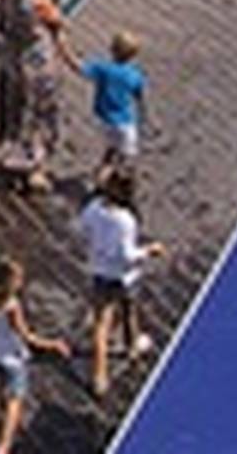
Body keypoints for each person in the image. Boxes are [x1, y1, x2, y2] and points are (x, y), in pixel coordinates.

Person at [0, 0, 75, 186]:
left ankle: (7, 151)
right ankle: (33, 166)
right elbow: (59, 21)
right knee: (38, 114)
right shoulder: (37, 3)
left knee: (13, 110)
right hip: (37, 64)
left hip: (13, 61)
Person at [76, 167, 162, 395]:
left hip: (99, 272)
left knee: (100, 325)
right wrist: (149, 251)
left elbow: (80, 230)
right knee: (129, 310)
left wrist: (96, 246)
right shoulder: (126, 220)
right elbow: (127, 255)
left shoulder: (93, 209)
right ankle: (132, 346)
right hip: (123, 276)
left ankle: (99, 376)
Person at [0, 257, 60, 454]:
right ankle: (4, 444)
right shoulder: (11, 306)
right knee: (16, 399)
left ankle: (0, 417)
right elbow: (26, 336)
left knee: (1, 386)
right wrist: (52, 345)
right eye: (18, 278)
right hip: (13, 357)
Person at [83, 28, 150, 171]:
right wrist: (144, 114)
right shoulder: (135, 75)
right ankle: (114, 181)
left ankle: (101, 179)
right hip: (125, 122)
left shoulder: (103, 68)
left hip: (106, 120)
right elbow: (139, 96)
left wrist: (61, 45)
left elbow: (79, 67)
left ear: (112, 49)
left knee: (110, 149)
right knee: (126, 157)